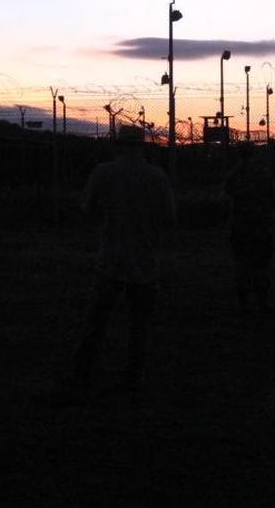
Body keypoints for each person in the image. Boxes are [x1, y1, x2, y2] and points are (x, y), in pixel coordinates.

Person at [69, 123, 176, 393]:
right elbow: (170, 218)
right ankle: (133, 380)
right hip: (145, 261)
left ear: (117, 144)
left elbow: (86, 209)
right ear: (143, 145)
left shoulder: (104, 172)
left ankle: (82, 375)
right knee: (140, 326)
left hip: (111, 258)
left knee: (96, 322)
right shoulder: (157, 176)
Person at [224, 142, 275, 315]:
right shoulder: (261, 172)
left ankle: (243, 303)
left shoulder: (235, 173)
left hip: (240, 224)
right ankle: (263, 302)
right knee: (260, 266)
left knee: (241, 265)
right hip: (259, 224)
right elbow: (270, 192)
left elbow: (228, 191)